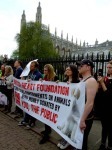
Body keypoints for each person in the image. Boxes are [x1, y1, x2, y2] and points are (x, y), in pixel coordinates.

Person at [57, 64, 80, 149]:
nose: (67, 71)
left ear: (73, 71)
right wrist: (58, 84)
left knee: (70, 124)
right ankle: (64, 138)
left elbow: (78, 95)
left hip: (73, 107)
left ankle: (68, 140)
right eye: (66, 69)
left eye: (69, 70)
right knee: (65, 122)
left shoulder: (77, 82)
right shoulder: (64, 80)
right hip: (66, 106)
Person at [78, 59, 98, 150]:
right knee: (79, 140)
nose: (79, 67)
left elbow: (90, 103)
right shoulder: (83, 80)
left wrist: (82, 120)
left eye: (81, 65)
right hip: (80, 114)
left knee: (83, 141)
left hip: (86, 117)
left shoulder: (91, 81)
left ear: (88, 67)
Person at [18, 61, 42, 129]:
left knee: (33, 109)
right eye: (30, 66)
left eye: (32, 66)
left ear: (36, 67)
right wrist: (24, 80)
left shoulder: (39, 74)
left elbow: (39, 86)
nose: (30, 67)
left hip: (34, 95)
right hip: (28, 94)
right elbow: (26, 81)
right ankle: (25, 120)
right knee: (27, 107)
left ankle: (32, 122)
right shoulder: (29, 73)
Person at [39, 64, 59, 144]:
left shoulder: (55, 77)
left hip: (51, 101)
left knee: (48, 116)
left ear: (50, 70)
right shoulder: (45, 77)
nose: (44, 72)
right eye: (44, 70)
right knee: (45, 116)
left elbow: (59, 88)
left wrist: (57, 83)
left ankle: (47, 135)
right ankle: (47, 130)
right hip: (45, 99)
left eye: (46, 70)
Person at [97, 60, 112, 150]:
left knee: (110, 128)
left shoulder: (106, 81)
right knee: (104, 127)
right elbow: (101, 95)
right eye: (107, 67)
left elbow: (109, 96)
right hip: (104, 108)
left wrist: (102, 83)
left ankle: (110, 145)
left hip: (111, 108)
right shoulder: (105, 78)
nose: (108, 69)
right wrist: (99, 85)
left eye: (110, 67)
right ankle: (102, 143)